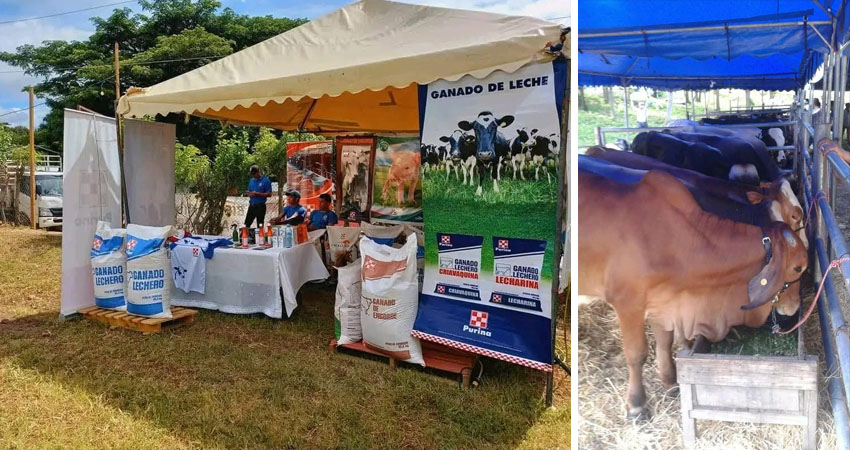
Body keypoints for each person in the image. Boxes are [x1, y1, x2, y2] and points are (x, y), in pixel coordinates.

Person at [244, 165, 272, 229]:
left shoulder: (266, 181)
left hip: (260, 206)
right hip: (252, 205)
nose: (253, 176)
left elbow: (269, 194)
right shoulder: (251, 181)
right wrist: (249, 194)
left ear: (258, 172)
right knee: (246, 224)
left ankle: (260, 238)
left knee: (260, 225)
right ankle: (245, 238)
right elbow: (249, 191)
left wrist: (257, 194)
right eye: (252, 174)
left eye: (254, 174)